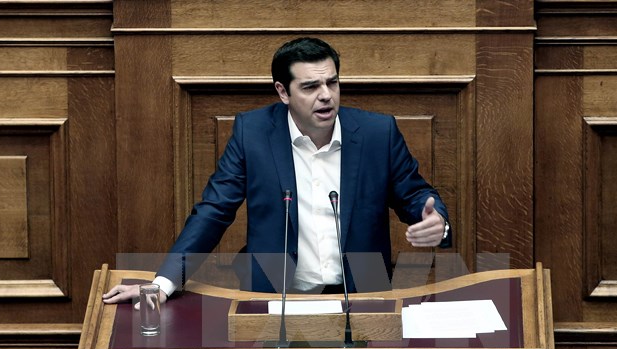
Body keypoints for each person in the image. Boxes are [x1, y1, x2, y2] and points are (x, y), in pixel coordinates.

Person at [103, 37, 451, 306]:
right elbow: (214, 211)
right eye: (310, 87)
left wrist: (437, 222)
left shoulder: (378, 133)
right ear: (283, 92)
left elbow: (415, 195)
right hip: (275, 299)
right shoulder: (253, 133)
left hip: (361, 297)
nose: (326, 96)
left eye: (332, 83)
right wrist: (163, 284)